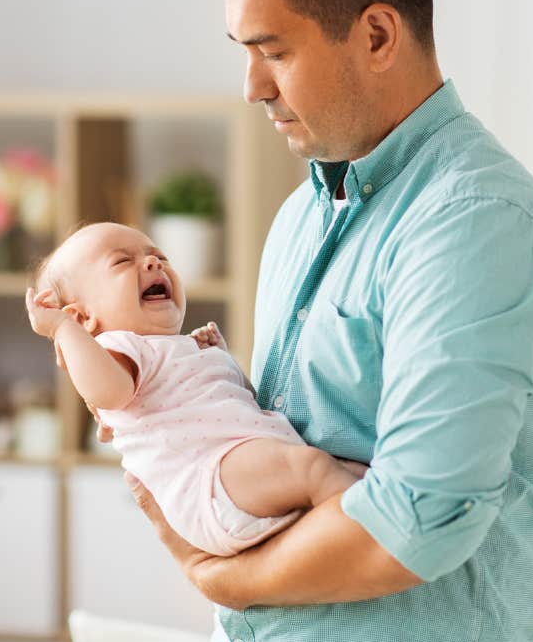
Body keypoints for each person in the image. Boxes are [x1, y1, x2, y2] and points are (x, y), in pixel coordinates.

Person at [96, 0, 533, 642]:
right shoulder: (301, 217)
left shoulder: (475, 221)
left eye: (274, 51)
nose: (251, 85)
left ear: (378, 35)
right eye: (244, 53)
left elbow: (415, 525)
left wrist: (224, 579)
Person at [25, 221, 366, 557]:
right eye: (122, 261)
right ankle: (374, 541)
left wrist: (222, 361)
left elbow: (246, 407)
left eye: (158, 255)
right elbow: (108, 393)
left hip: (241, 470)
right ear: (83, 318)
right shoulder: (121, 348)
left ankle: (363, 527)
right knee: (314, 470)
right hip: (212, 484)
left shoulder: (177, 351)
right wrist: (63, 331)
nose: (152, 262)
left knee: (349, 472)